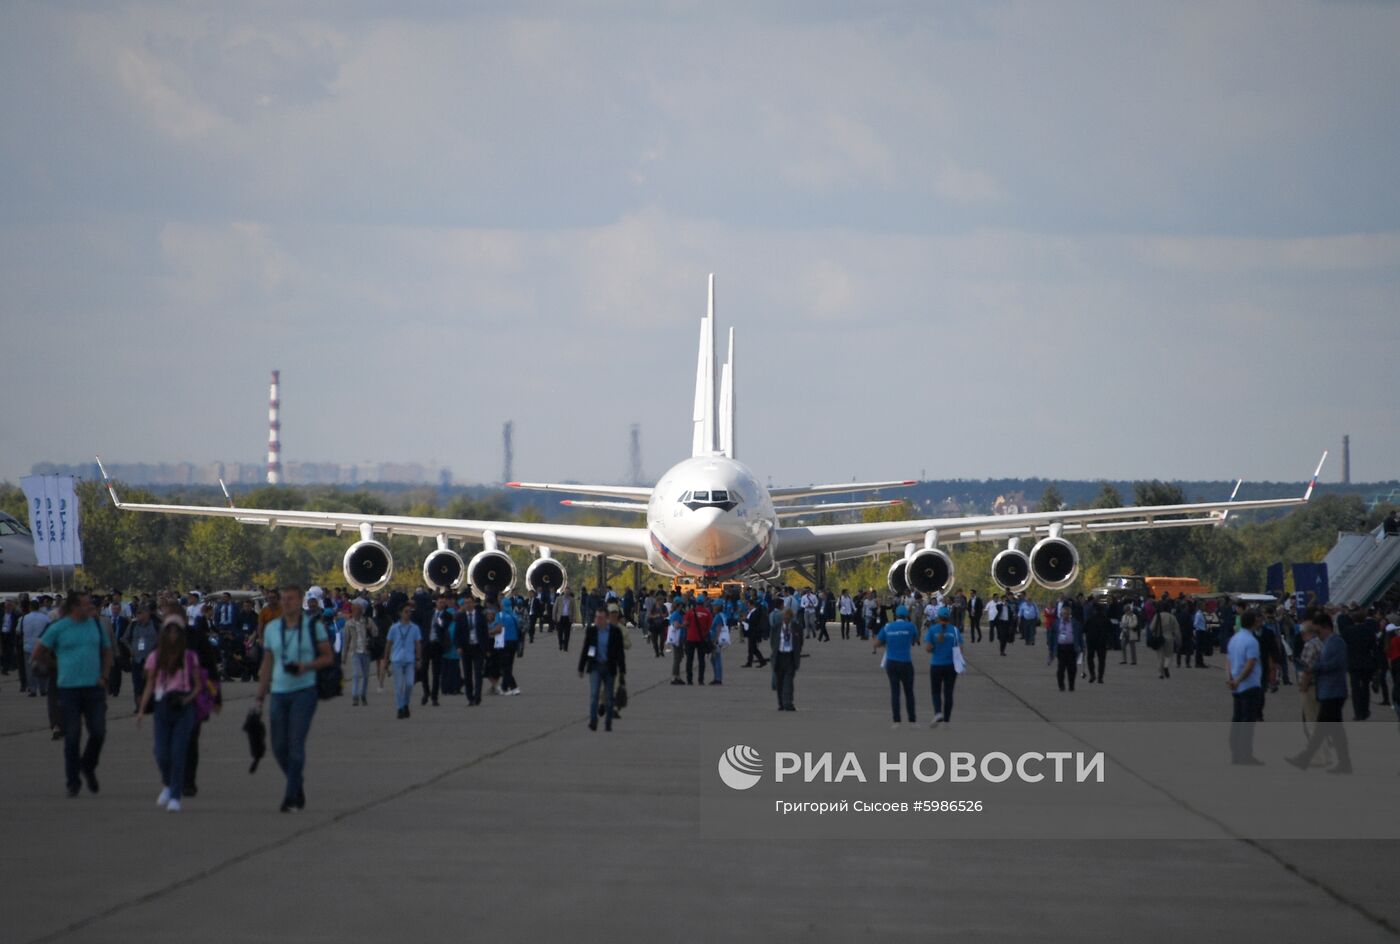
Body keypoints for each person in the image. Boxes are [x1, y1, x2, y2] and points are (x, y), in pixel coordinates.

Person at [254, 586, 335, 812]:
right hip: (279, 692)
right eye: (284, 599)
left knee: (296, 744)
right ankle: (295, 781)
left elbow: (328, 657)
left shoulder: (313, 627)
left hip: (304, 691)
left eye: (291, 599)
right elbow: (267, 664)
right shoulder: (271, 629)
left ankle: (290, 797)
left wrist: (306, 666)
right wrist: (260, 697)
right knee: (279, 746)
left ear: (300, 601)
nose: (287, 603)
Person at [32, 592, 112, 797]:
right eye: (86, 604)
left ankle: (87, 765)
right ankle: (73, 780)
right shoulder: (59, 627)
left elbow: (107, 651)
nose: (90, 607)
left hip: (93, 687)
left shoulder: (95, 625)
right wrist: (55, 665)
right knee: (73, 735)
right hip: (68, 688)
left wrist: (104, 675)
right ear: (75, 607)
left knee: (98, 731)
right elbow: (38, 652)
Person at [135, 615, 202, 811]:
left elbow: (198, 685)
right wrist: (141, 710)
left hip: (183, 705)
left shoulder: (189, 657)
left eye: (176, 632)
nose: (173, 635)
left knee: (178, 751)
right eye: (169, 631)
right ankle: (168, 783)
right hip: (163, 704)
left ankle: (175, 795)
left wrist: (187, 699)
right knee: (161, 752)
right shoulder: (155, 657)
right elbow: (149, 684)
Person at [1287, 611, 1351, 773]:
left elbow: (1335, 664)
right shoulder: (1330, 642)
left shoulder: (1336, 642)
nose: (1317, 635)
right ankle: (1343, 763)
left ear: (1326, 628)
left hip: (1333, 690)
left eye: (1318, 631)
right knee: (1334, 730)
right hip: (1330, 690)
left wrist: (1313, 667)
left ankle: (1306, 758)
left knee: (1322, 727)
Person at [578, 607, 626, 731]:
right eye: (596, 617)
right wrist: (581, 667)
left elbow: (620, 653)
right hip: (595, 667)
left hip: (609, 668)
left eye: (601, 617)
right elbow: (586, 649)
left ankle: (608, 722)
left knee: (609, 698)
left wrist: (622, 670)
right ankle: (593, 720)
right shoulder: (592, 631)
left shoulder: (615, 632)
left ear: (607, 618)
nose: (598, 620)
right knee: (594, 695)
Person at [1226, 611, 1264, 765]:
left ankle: (1236, 753)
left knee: (1237, 719)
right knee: (1248, 721)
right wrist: (1240, 679)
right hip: (1249, 684)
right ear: (1254, 621)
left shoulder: (1235, 638)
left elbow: (1228, 660)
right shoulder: (1251, 641)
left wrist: (1231, 679)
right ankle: (1246, 754)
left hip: (1236, 684)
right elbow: (1251, 664)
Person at [874, 605, 917, 727]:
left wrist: (887, 643)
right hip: (906, 662)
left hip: (891, 663)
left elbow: (876, 643)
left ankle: (896, 721)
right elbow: (915, 638)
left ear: (895, 615)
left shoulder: (888, 627)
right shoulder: (910, 626)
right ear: (906, 616)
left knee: (895, 692)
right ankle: (912, 721)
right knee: (909, 692)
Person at [924, 605, 961, 725]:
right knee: (948, 692)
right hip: (951, 665)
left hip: (936, 664)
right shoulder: (954, 630)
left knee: (936, 691)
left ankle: (938, 712)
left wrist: (935, 646)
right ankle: (947, 719)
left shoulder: (933, 630)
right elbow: (960, 648)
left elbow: (928, 649)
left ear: (938, 617)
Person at [121, 604, 161, 710]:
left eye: (140, 612)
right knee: (137, 683)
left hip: (151, 660)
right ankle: (139, 706)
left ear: (147, 613)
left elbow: (163, 640)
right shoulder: (133, 625)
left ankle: (151, 705)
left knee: (151, 682)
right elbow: (124, 639)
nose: (138, 615)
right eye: (137, 613)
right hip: (137, 659)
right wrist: (130, 649)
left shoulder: (155, 625)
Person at [387, 605, 422, 718]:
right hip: (397, 659)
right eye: (406, 612)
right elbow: (389, 643)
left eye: (409, 612)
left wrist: (418, 659)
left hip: (409, 659)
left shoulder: (414, 628)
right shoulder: (394, 628)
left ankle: (405, 702)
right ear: (400, 613)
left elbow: (418, 644)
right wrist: (386, 658)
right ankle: (400, 708)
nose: (408, 614)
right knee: (398, 686)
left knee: (409, 684)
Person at [455, 594, 489, 706]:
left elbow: (485, 633)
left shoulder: (480, 616)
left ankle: (477, 696)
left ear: (474, 603)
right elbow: (457, 634)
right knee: (467, 673)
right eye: (466, 603)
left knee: (478, 673)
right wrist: (459, 646)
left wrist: (486, 648)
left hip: (478, 647)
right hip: (466, 648)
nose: (468, 605)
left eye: (470, 602)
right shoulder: (460, 617)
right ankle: (470, 697)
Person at [341, 600, 374, 707]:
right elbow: (346, 640)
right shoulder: (349, 624)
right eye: (355, 610)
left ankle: (363, 695)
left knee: (365, 676)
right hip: (355, 651)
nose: (357, 612)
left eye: (359, 610)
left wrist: (370, 628)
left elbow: (376, 633)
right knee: (356, 674)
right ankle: (355, 696)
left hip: (366, 651)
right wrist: (344, 655)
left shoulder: (368, 621)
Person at [770, 608, 802, 711]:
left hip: (790, 657)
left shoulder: (797, 627)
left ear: (791, 618)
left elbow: (800, 642)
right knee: (780, 682)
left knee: (788, 682)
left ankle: (788, 703)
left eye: (788, 618)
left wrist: (796, 652)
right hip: (779, 656)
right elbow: (772, 642)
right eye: (784, 618)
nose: (786, 620)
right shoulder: (776, 627)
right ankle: (781, 703)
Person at [491, 598, 522, 695]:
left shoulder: (500, 615)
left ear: (503, 605)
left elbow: (496, 627)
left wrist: (489, 632)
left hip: (503, 642)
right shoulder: (514, 615)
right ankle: (505, 687)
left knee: (504, 666)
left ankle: (514, 687)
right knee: (509, 665)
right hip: (514, 642)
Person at [1050, 605, 1083, 692]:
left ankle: (1071, 685)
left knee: (1072, 668)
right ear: (1061, 614)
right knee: (1061, 668)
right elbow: (1052, 636)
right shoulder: (1057, 623)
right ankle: (1061, 685)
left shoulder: (1075, 623)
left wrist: (1082, 647)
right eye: (1064, 614)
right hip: (1061, 648)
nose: (1066, 616)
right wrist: (1051, 648)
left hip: (1072, 648)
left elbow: (1079, 636)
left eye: (1067, 614)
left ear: (1070, 614)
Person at [683, 596, 713, 685]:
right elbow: (709, 626)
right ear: (703, 603)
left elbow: (686, 624)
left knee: (689, 660)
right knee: (701, 660)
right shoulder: (707, 613)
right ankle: (701, 680)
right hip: (701, 639)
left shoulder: (690, 612)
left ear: (696, 603)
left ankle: (689, 680)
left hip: (690, 638)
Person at [1146, 604, 1181, 680]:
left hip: (1159, 638)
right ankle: (1166, 666)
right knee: (1169, 655)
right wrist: (1178, 640)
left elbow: (1151, 628)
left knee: (1160, 657)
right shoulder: (1172, 617)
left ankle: (1160, 673)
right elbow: (1177, 631)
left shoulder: (1157, 616)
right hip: (1169, 638)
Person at [1083, 602, 1112, 683]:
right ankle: (1100, 677)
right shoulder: (1106, 619)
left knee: (1090, 658)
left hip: (1091, 641)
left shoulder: (1090, 619)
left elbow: (1084, 629)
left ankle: (1092, 675)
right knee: (1102, 660)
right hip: (1102, 641)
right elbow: (1111, 630)